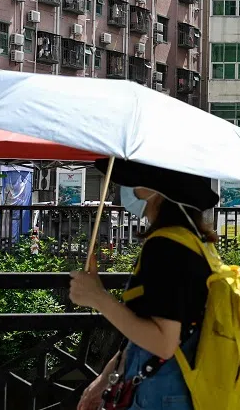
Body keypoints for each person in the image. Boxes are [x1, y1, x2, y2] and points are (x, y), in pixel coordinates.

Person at [70, 158, 218, 410]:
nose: (126, 186)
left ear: (154, 189)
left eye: (133, 177)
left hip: (160, 396)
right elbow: (151, 325)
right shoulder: (193, 243)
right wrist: (106, 377)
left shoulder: (166, 247)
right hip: (177, 390)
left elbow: (163, 342)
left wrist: (98, 297)